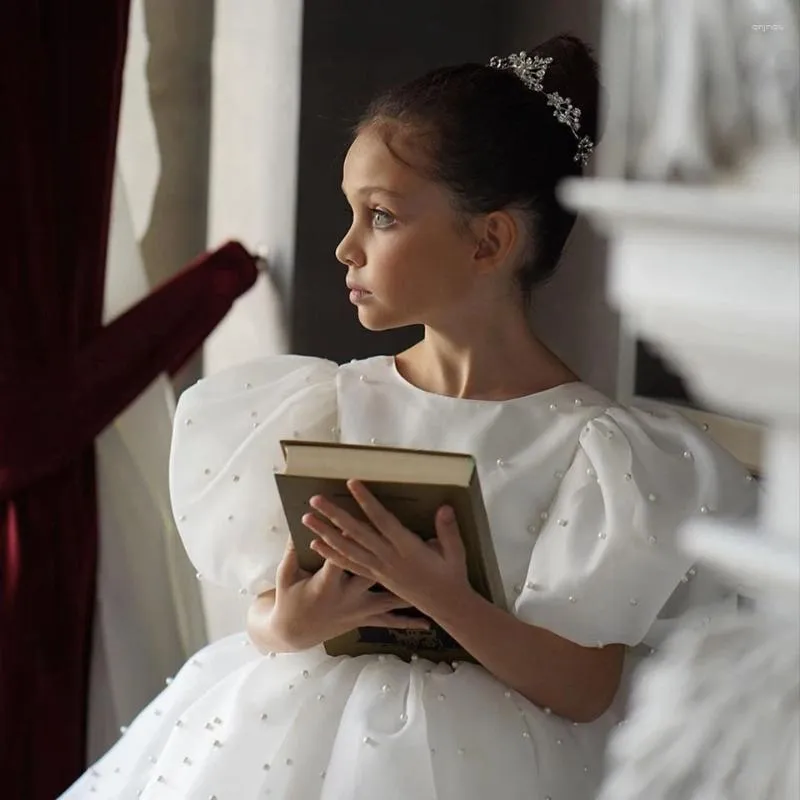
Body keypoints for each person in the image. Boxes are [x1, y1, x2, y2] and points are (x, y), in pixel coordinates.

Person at [61, 33, 758, 800]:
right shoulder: (323, 407)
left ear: (489, 239)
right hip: (295, 743)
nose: (345, 248)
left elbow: (585, 687)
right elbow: (264, 623)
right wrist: (296, 619)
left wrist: (442, 596)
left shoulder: (597, 451)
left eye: (382, 216)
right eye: (351, 214)